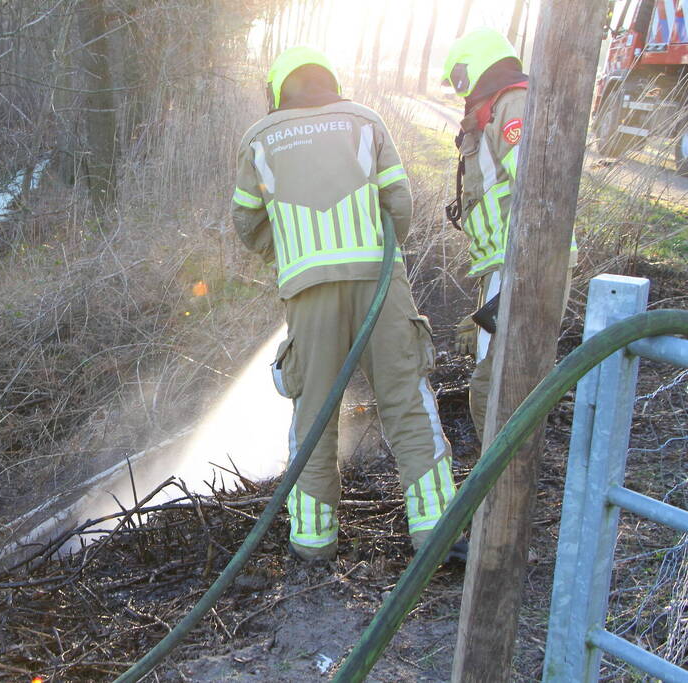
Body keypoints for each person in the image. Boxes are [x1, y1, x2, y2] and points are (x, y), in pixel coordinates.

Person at [231, 47, 460, 562]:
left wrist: (289, 248)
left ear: (278, 91)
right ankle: (435, 532)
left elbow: (246, 224)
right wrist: (380, 258)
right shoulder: (366, 120)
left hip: (308, 294)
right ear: (331, 80)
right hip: (381, 283)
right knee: (406, 400)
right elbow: (398, 202)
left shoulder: (259, 138)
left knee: (314, 413)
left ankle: (313, 544)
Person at [441, 29, 577, 439]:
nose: (459, 93)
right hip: (509, 263)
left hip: (522, 261)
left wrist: (513, 289)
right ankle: (496, 486)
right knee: (500, 377)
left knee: (496, 385)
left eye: (458, 82)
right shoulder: (497, 111)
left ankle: (495, 493)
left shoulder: (513, 105)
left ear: (471, 72)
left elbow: (538, 188)